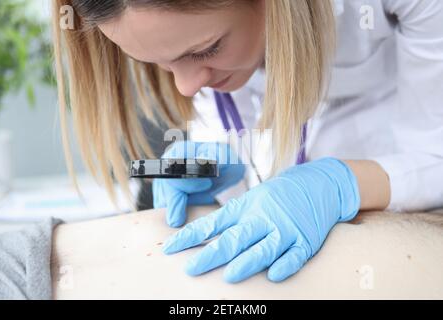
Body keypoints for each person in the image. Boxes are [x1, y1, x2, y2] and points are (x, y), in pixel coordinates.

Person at [52, 0, 443, 283]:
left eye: (206, 49)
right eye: (156, 62)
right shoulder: (190, 50)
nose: (185, 87)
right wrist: (226, 177)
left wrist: (340, 185)